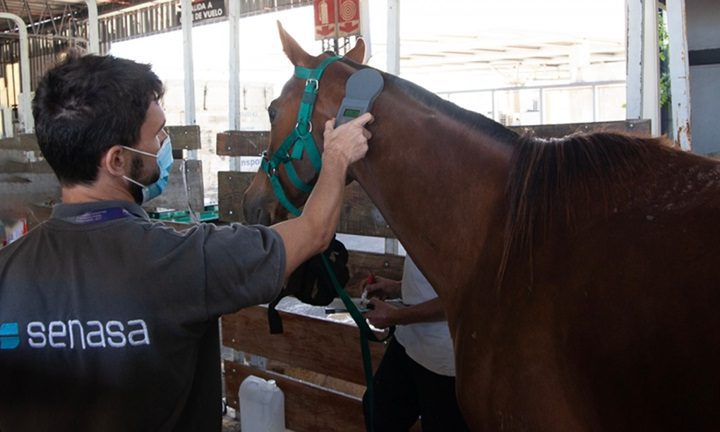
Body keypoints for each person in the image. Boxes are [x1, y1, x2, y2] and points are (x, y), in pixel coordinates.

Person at [0, 53, 372, 431]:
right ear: (116, 161)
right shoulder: (182, 261)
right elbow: (314, 230)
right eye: (158, 133)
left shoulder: (7, 269)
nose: (166, 142)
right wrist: (337, 157)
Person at [362, 256, 469, 432]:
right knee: (377, 412)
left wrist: (395, 317)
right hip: (409, 341)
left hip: (445, 359)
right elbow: (435, 280)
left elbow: (464, 297)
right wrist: (398, 288)